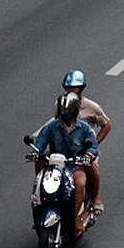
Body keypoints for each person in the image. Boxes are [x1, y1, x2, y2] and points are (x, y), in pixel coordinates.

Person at [32, 92, 99, 234]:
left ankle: (75, 219)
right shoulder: (51, 127)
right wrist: (36, 152)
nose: (65, 115)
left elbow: (93, 146)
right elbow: (41, 142)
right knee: (40, 182)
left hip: (74, 165)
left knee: (80, 183)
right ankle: (38, 207)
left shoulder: (85, 129)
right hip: (55, 165)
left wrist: (88, 155)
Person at [61, 69, 111, 215]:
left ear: (81, 88)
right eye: (68, 87)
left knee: (91, 167)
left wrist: (93, 144)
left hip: (84, 151)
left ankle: (96, 197)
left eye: (74, 87)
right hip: (64, 149)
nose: (70, 90)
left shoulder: (91, 107)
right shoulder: (61, 104)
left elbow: (107, 125)